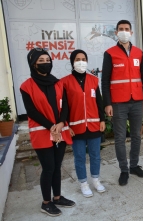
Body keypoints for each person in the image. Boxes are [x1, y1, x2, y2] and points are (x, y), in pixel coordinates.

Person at [20, 48, 75, 217]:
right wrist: (51, 125)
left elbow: (65, 105)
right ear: (33, 64)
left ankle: (57, 197)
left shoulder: (58, 82)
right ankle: (46, 202)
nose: (45, 64)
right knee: (48, 168)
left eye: (47, 60)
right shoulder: (26, 86)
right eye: (41, 61)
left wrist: (60, 123)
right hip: (43, 132)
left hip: (60, 130)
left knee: (57, 167)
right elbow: (31, 111)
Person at [101, 20, 143, 186]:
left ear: (131, 32)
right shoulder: (110, 53)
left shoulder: (138, 53)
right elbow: (105, 80)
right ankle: (124, 169)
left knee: (136, 135)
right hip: (118, 103)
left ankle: (134, 165)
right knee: (120, 138)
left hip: (136, 100)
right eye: (121, 29)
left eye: (126, 29)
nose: (124, 32)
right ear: (116, 33)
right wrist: (107, 103)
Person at [61, 49, 106, 197]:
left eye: (83, 59)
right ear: (72, 62)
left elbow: (99, 102)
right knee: (79, 157)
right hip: (76, 127)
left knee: (95, 155)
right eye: (77, 59)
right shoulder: (65, 82)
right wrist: (66, 126)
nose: (81, 61)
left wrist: (103, 120)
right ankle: (83, 183)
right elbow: (64, 107)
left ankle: (95, 180)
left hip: (94, 125)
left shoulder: (93, 80)